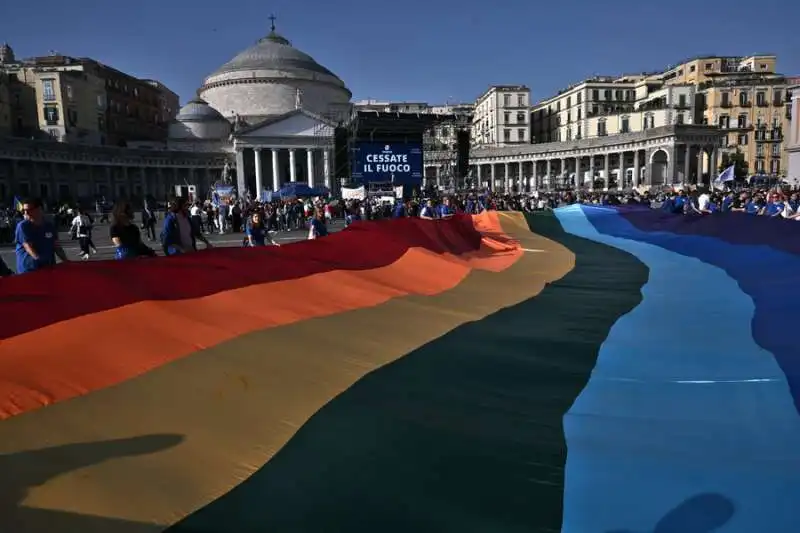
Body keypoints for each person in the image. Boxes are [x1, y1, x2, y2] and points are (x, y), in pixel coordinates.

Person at [14, 197, 68, 274]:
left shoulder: (49, 226)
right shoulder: (23, 226)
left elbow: (57, 246)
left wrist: (66, 261)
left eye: (29, 210)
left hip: (49, 268)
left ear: (39, 209)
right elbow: (29, 247)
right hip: (29, 270)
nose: (26, 213)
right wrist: (41, 261)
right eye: (24, 211)